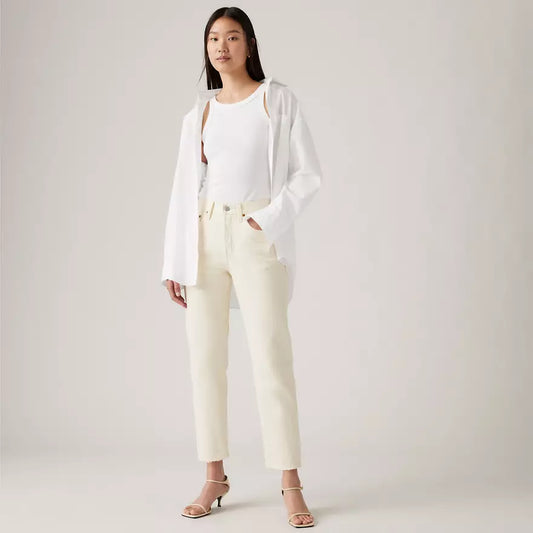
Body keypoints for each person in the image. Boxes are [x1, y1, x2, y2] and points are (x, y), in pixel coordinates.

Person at [161, 6, 321, 528]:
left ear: (249, 44)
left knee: (272, 357)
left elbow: (307, 174)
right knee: (205, 361)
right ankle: (214, 476)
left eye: (232, 37)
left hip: (256, 235)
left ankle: (291, 482)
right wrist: (175, 260)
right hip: (205, 238)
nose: (221, 47)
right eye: (213, 38)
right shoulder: (200, 114)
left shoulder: (277, 100)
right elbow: (184, 189)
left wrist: (266, 221)